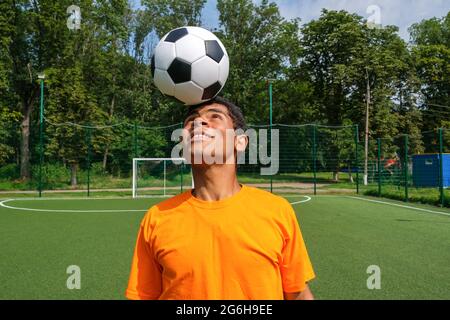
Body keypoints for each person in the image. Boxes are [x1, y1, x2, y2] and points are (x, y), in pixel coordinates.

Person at [125, 96, 315, 300]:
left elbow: (297, 294)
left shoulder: (277, 210)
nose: (199, 122)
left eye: (215, 116)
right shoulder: (157, 218)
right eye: (191, 121)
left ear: (240, 141)